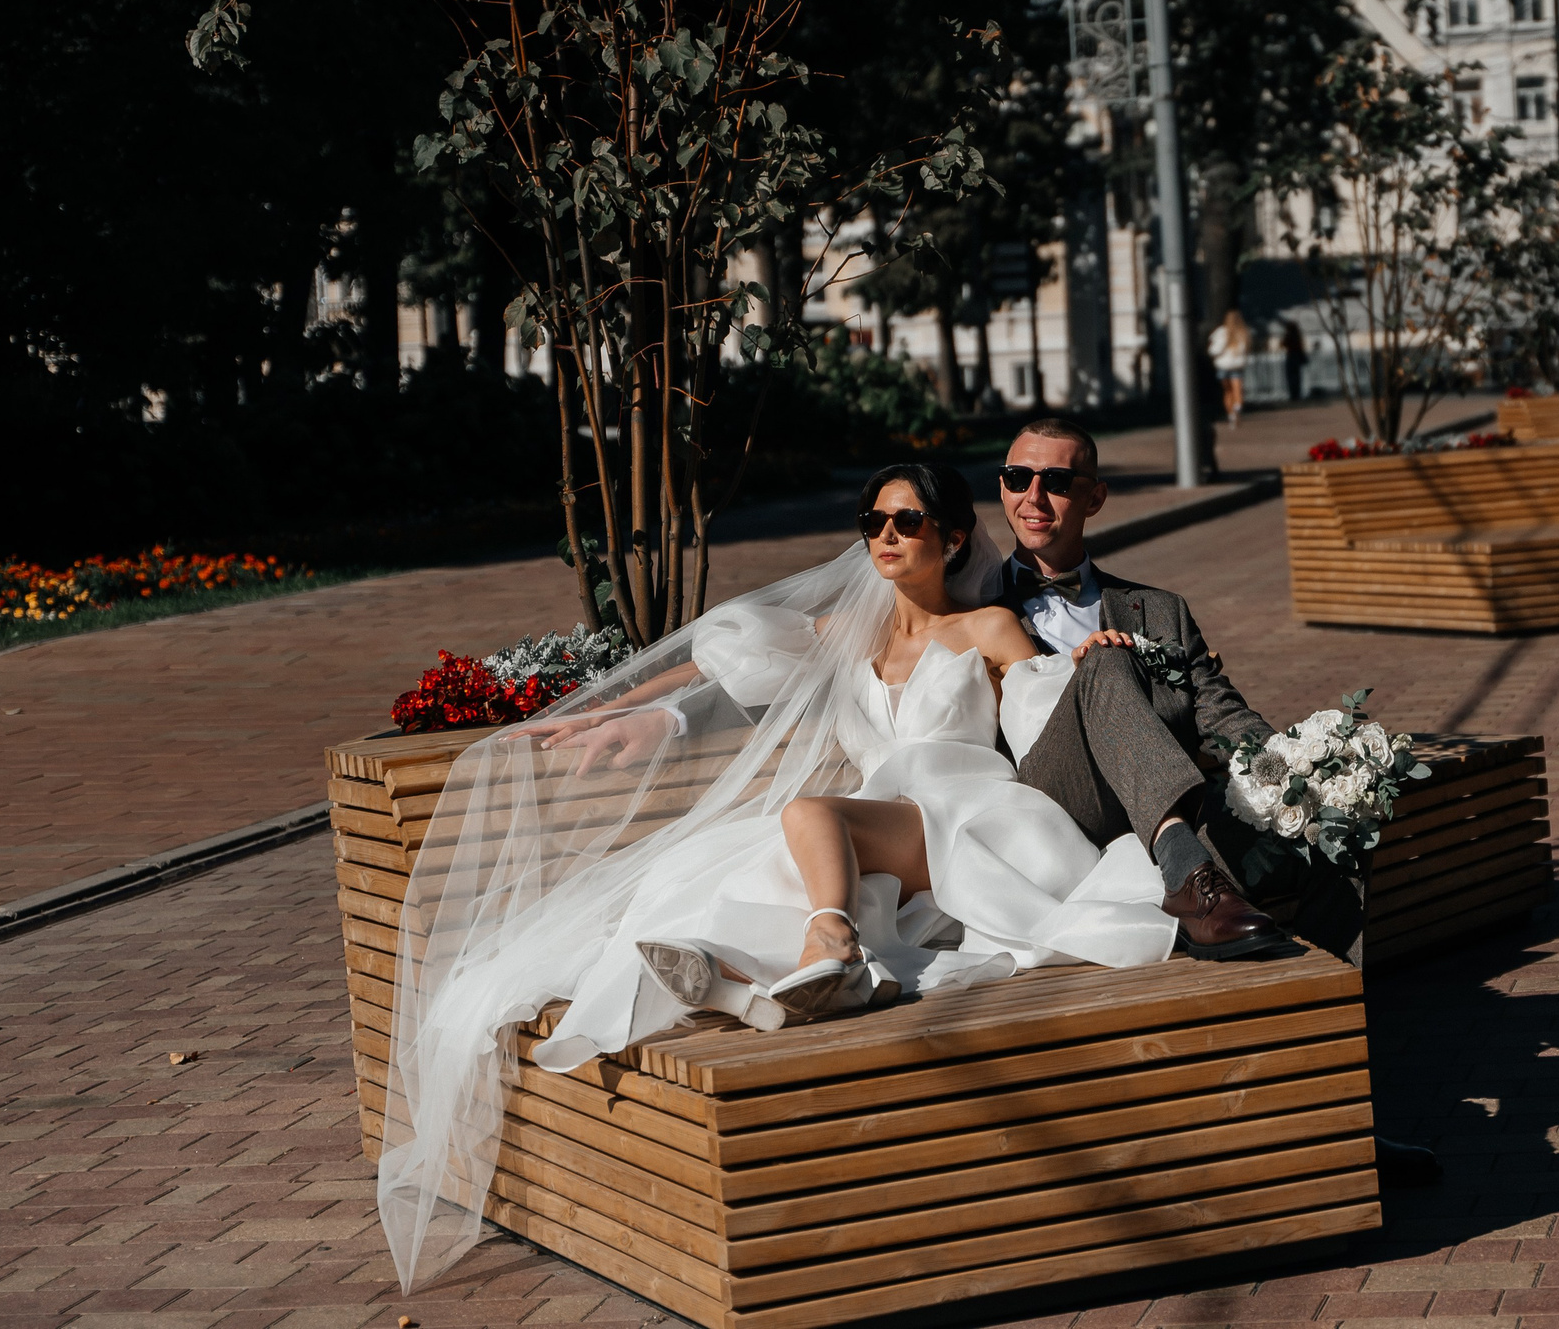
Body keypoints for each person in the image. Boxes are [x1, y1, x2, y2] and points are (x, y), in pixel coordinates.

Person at [374, 462, 1176, 1291]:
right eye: (873, 524)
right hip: (874, 820)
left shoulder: (987, 629)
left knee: (806, 819)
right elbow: (717, 667)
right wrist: (621, 709)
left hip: (961, 818)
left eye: (905, 522)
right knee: (718, 876)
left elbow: (1049, 713)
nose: (886, 539)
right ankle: (741, 984)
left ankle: (832, 940)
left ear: (954, 535)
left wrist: (1090, 667)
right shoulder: (850, 636)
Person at [989, 416, 1444, 1187]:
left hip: (1168, 803)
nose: (1035, 495)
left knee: (1330, 846)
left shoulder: (1156, 611)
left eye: (1058, 481)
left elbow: (1225, 718)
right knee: (1102, 669)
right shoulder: (974, 598)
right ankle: (1184, 868)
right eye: (1017, 477)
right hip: (1051, 809)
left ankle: (1345, 1114)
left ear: (1094, 497)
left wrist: (1306, 774)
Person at [1207, 309, 1252, 427]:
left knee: (1227, 392)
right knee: (1238, 389)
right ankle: (1237, 408)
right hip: (1237, 365)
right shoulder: (1243, 332)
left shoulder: (1221, 332)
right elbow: (1245, 350)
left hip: (1223, 365)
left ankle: (1231, 415)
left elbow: (1214, 350)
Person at [1278, 316, 1308, 401]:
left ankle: (1294, 394)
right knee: (1296, 376)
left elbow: (1283, 344)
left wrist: (1283, 339)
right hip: (1296, 356)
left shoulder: (1290, 335)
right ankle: (1296, 393)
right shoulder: (1297, 335)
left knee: (1291, 376)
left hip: (1291, 356)